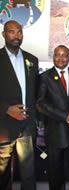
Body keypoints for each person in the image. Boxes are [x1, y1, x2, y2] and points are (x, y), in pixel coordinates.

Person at [36, 45, 69, 190]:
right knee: (55, 175)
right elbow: (41, 103)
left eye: (64, 55)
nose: (61, 58)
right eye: (57, 55)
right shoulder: (44, 77)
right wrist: (66, 116)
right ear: (53, 57)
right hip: (55, 134)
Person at [0, 20, 38, 190]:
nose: (16, 35)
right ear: (3, 34)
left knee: (29, 174)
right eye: (12, 31)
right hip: (4, 126)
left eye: (19, 32)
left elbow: (36, 93)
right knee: (2, 174)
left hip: (27, 125)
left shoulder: (32, 60)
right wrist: (7, 109)